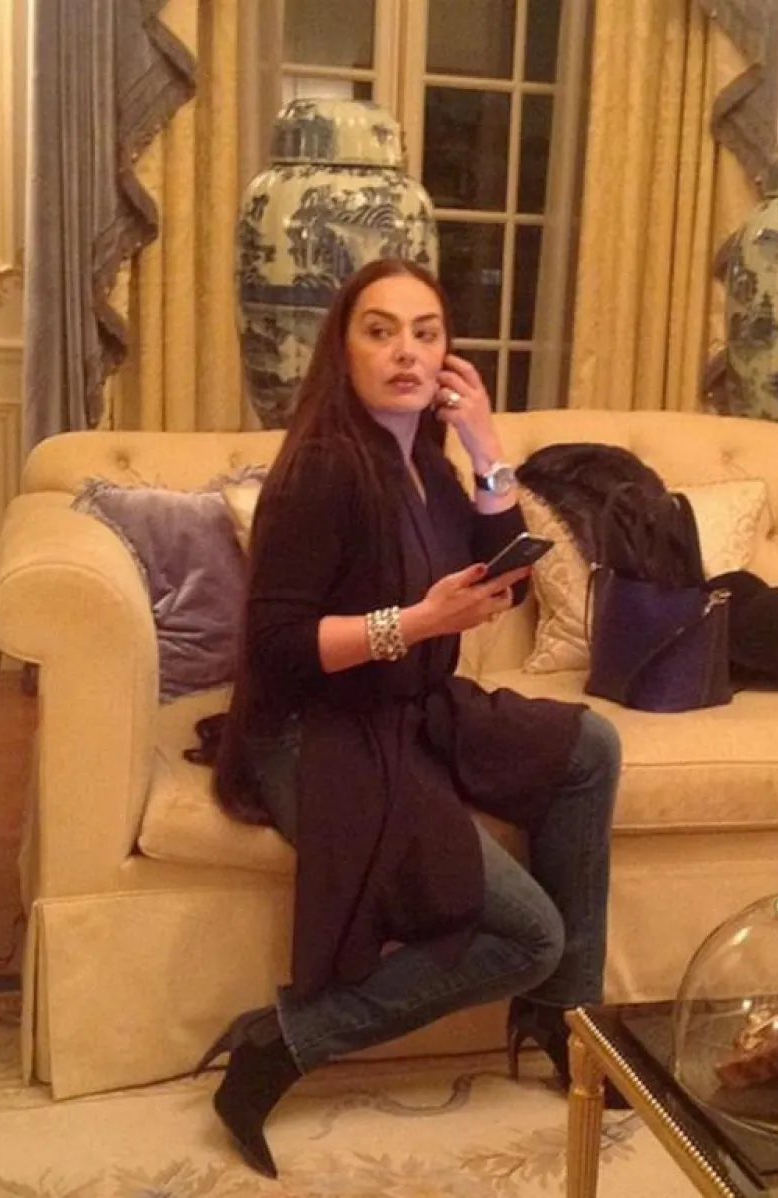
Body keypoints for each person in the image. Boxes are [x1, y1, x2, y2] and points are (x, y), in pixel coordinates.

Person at [195, 258, 625, 1179]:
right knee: (529, 936)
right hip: (318, 730)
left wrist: (485, 444)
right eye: (380, 330)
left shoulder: (424, 461)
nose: (406, 352)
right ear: (342, 351)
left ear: (447, 356)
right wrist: (418, 624)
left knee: (589, 745)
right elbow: (275, 646)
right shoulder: (321, 471)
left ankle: (565, 1021)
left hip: (411, 706)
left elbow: (506, 581)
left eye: (426, 333)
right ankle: (279, 1042)